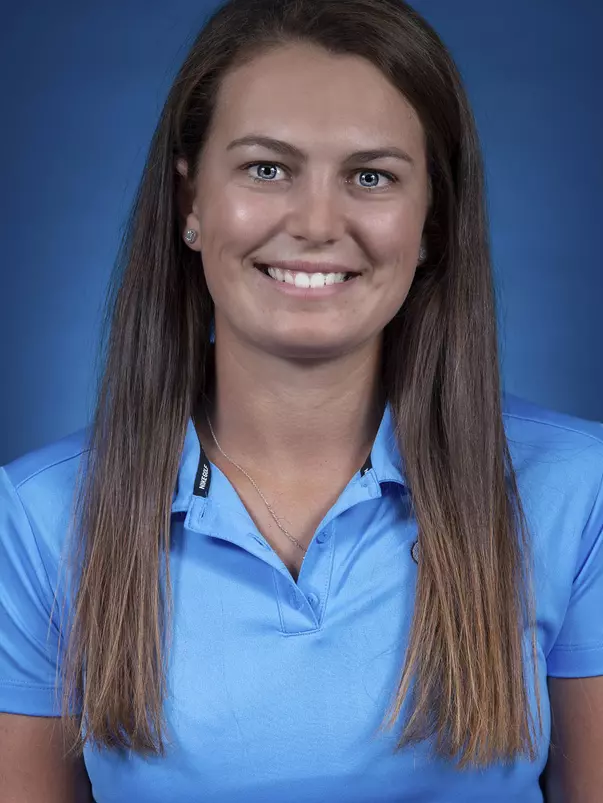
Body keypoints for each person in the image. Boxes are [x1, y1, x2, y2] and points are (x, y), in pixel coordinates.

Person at [1, 0, 602, 800]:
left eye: (370, 176)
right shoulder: (41, 518)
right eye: (266, 168)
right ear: (190, 204)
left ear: (431, 221)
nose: (317, 222)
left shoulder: (578, 490)